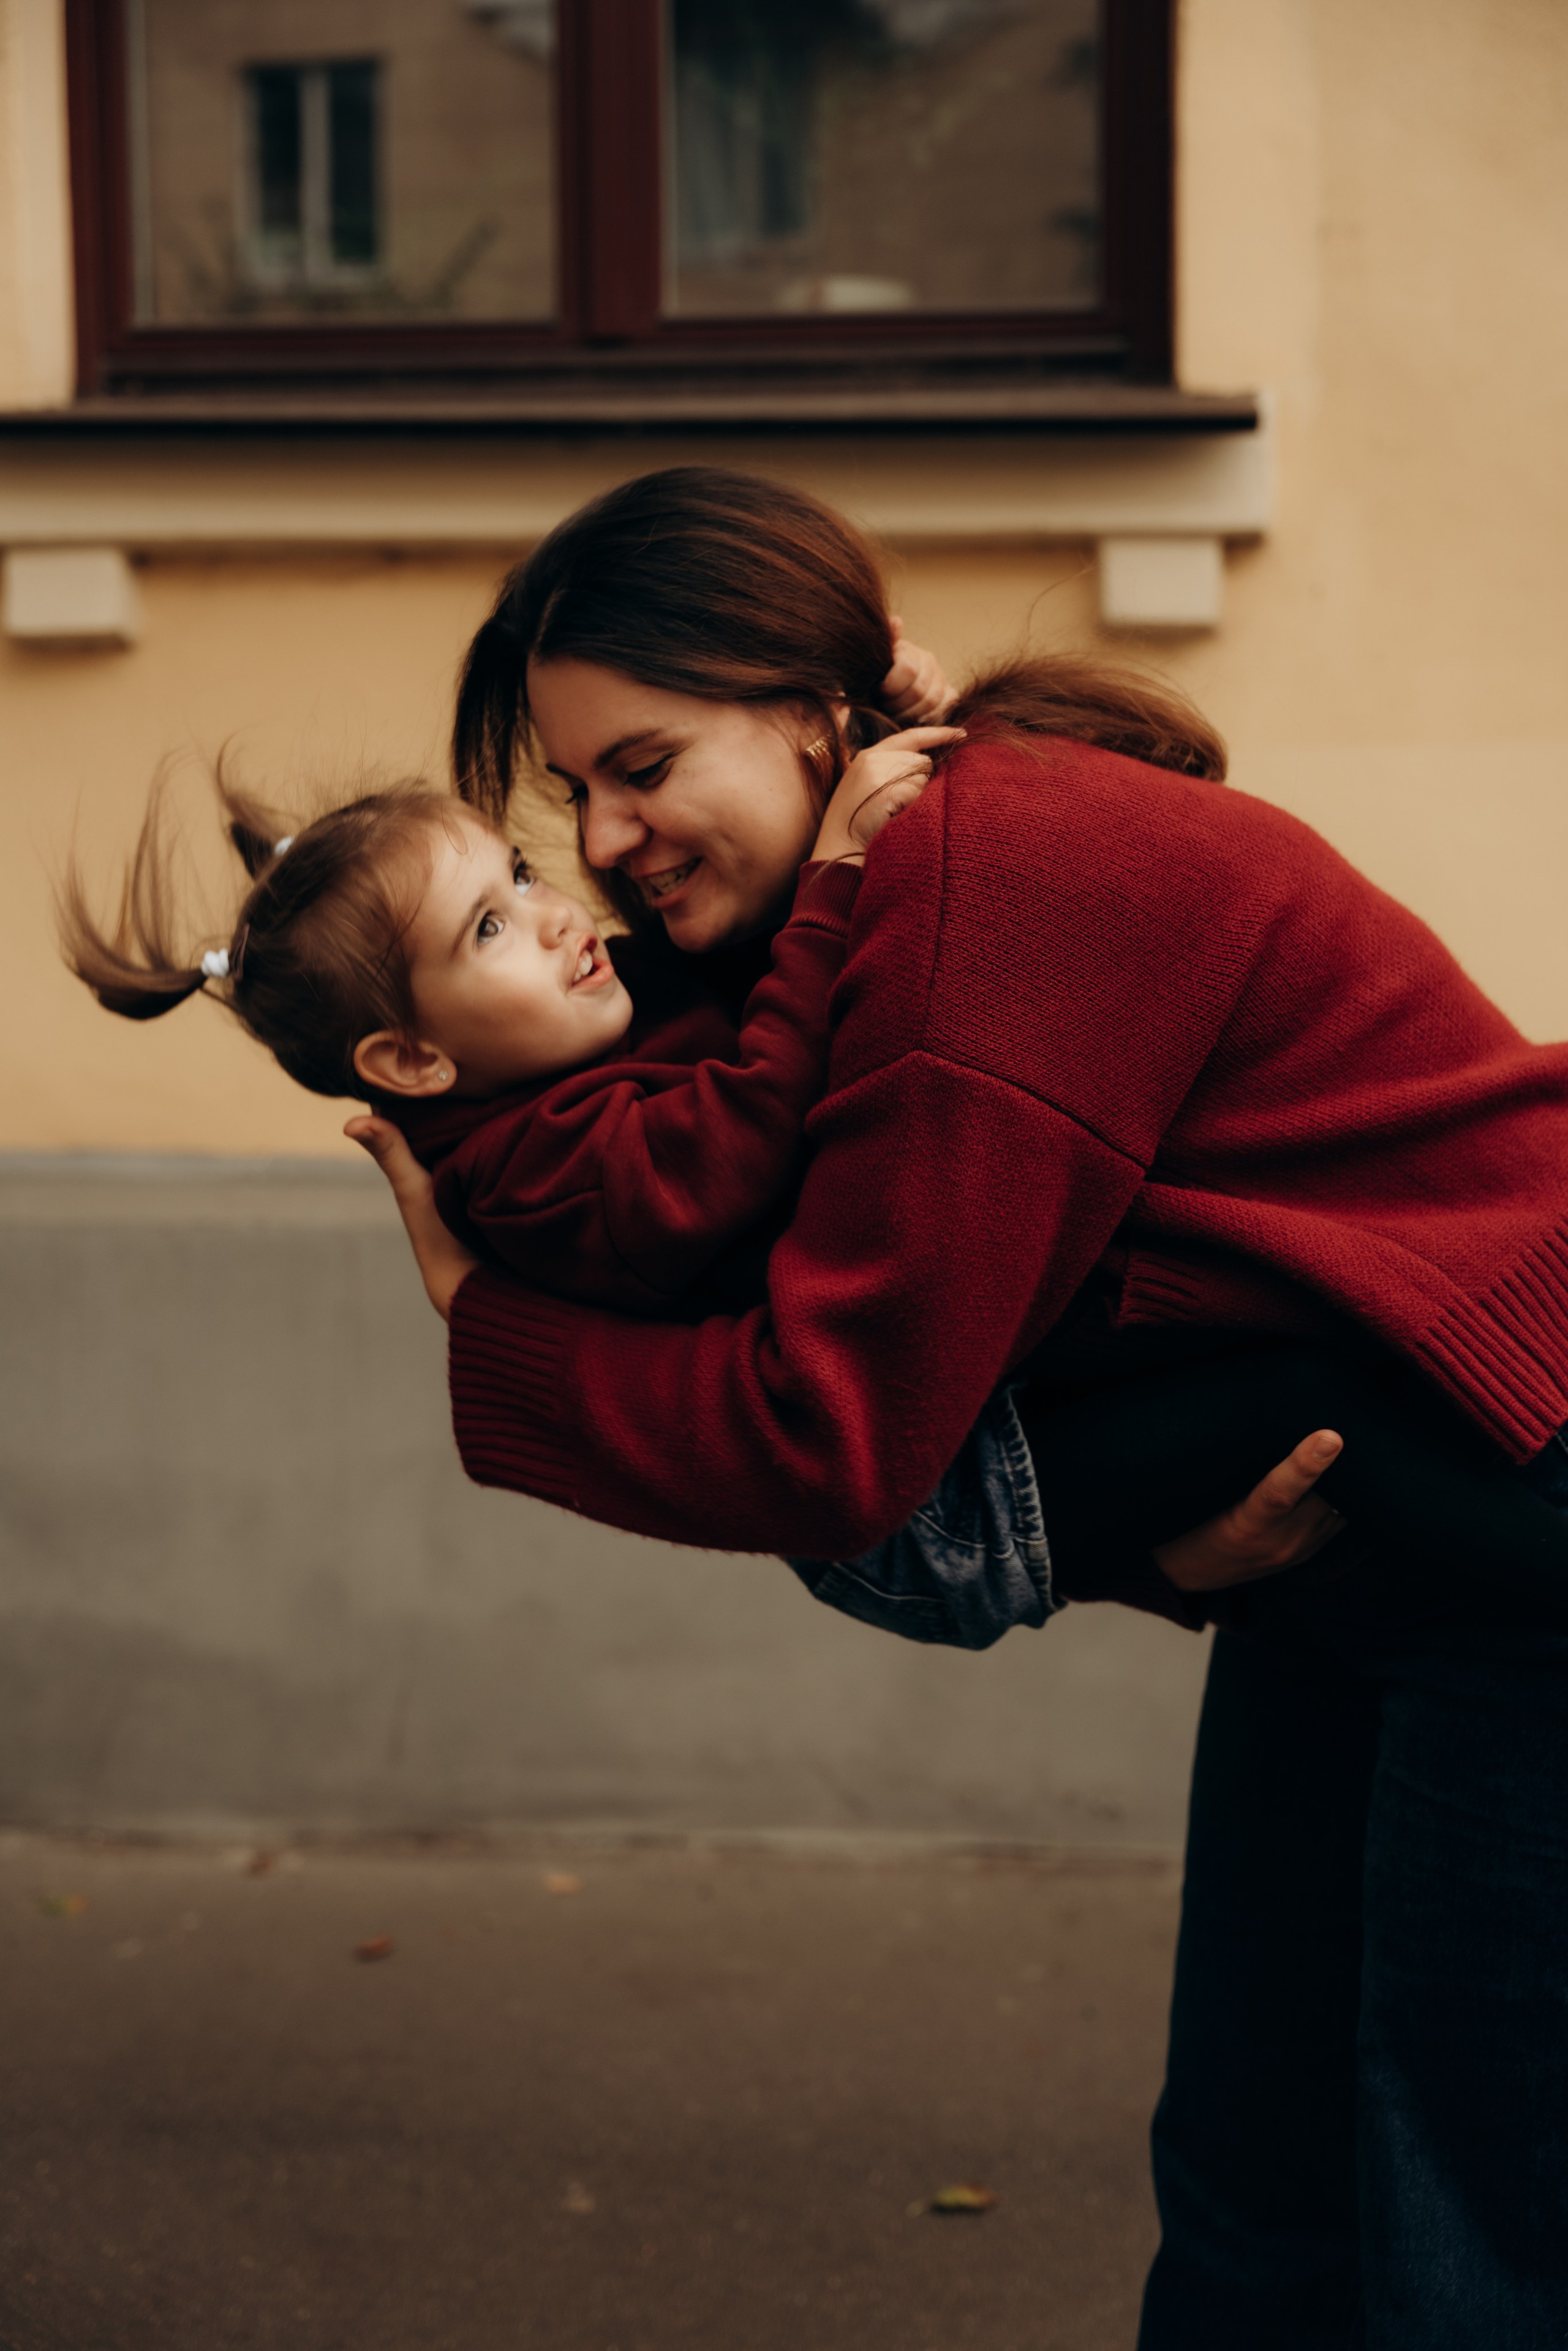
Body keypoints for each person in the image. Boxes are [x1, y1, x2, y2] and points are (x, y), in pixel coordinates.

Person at [355, 466, 1568, 2346]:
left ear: (813, 711)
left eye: (646, 765)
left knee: (1464, 2225)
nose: (602, 840)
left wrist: (483, 1322)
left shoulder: (989, 889)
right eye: (575, 792)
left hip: (1522, 1523)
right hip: (1385, 1553)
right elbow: (769, 1247)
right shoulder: (872, 893)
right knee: (1266, 2187)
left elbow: (828, 1437)